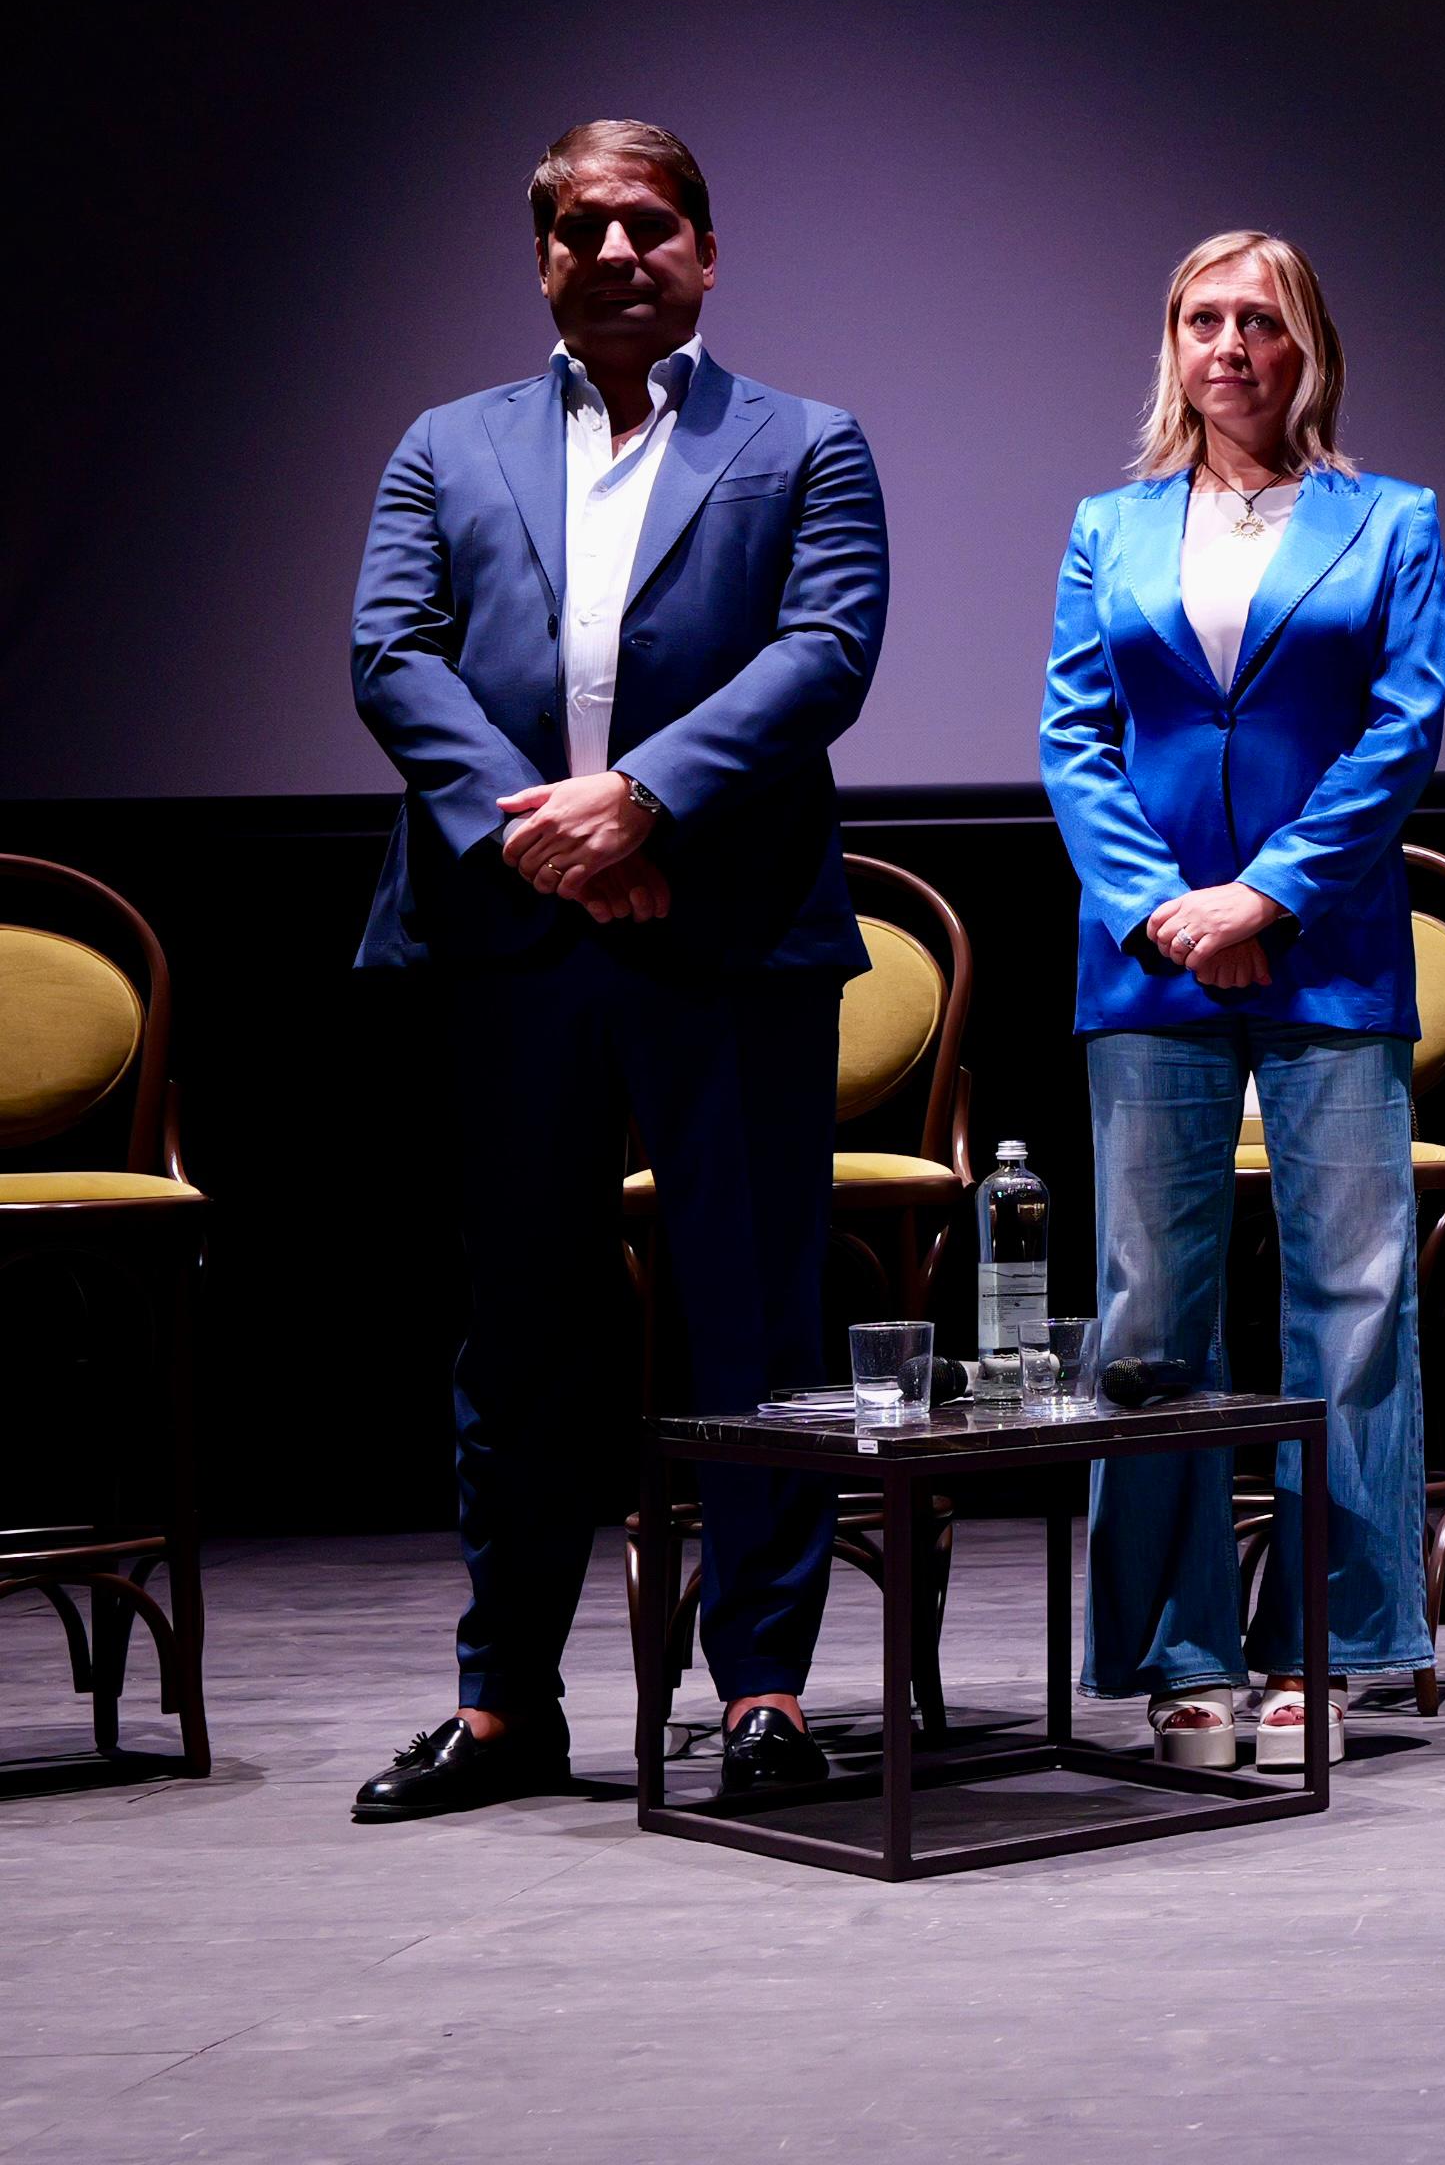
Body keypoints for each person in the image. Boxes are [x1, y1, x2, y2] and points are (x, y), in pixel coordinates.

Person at [345, 119, 883, 1818]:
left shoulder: (807, 441)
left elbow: (826, 652)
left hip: (724, 940)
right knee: (520, 1335)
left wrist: (643, 804)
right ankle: (508, 1710)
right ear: (543, 260)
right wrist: (544, 834)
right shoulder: (449, 446)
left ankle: (767, 1698)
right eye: (580, 227)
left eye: (649, 224)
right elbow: (391, 651)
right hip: (512, 945)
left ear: (707, 254)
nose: (615, 249)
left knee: (758, 1323)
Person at [1041, 232, 1445, 1772]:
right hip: (1145, 963)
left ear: (1307, 348)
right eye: (1203, 319)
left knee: (1351, 1304)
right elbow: (1075, 739)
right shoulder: (1110, 526)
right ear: (1174, 345)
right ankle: (1180, 1647)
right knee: (1155, 1315)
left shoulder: (1388, 519)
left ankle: (1338, 1644)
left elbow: (1401, 732)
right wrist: (1165, 908)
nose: (1230, 344)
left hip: (1327, 947)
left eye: (1259, 321)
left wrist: (1267, 894)